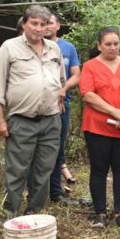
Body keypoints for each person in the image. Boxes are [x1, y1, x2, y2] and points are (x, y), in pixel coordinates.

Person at [0, 5, 65, 215]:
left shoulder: (54, 49)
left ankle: (34, 213)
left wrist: (58, 98)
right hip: (22, 120)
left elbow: (61, 80)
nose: (39, 28)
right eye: (34, 23)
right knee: (17, 171)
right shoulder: (10, 47)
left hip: (51, 120)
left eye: (43, 24)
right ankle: (10, 214)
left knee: (44, 171)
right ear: (24, 24)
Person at [79, 27, 120, 229]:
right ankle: (100, 212)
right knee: (99, 169)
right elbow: (88, 94)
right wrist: (115, 112)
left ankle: (119, 212)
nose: (113, 47)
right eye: (108, 44)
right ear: (99, 45)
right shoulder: (90, 66)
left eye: (116, 43)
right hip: (98, 126)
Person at [44, 10, 80, 203]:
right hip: (39, 107)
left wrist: (64, 89)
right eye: (44, 23)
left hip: (61, 107)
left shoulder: (68, 48)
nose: (47, 26)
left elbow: (76, 74)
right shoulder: (36, 47)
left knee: (57, 149)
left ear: (58, 26)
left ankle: (55, 192)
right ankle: (37, 190)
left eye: (50, 23)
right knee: (39, 149)